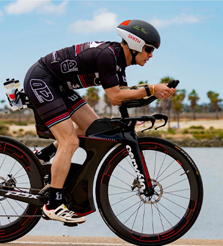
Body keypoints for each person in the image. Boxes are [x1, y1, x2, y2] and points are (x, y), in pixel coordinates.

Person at [23, 19, 176, 224]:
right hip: (42, 80)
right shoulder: (108, 56)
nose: (151, 55)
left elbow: (123, 96)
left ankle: (44, 155)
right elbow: (114, 96)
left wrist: (155, 94)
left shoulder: (118, 63)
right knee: (70, 141)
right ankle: (53, 204)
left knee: (92, 129)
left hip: (58, 85)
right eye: (149, 49)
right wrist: (151, 89)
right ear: (135, 44)